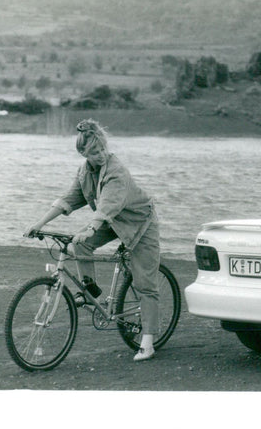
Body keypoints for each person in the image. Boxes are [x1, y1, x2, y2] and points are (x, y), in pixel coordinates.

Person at [25, 119, 161, 362]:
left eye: (102, 150)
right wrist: (40, 223)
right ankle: (91, 293)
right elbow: (69, 199)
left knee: (145, 283)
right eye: (93, 153)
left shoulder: (116, 172)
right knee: (79, 244)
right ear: (83, 153)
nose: (100, 156)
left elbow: (108, 205)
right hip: (111, 221)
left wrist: (90, 228)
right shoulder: (84, 172)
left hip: (140, 222)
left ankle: (148, 342)